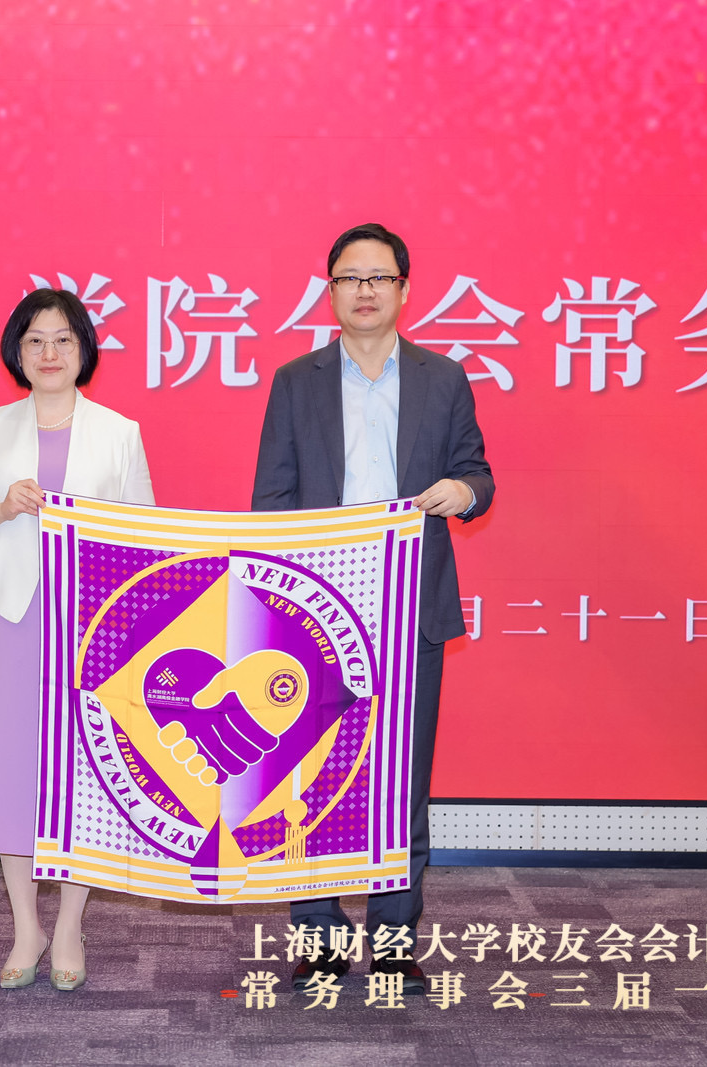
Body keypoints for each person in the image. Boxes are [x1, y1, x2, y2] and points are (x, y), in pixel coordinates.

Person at [251, 223, 494, 994]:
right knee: (311, 780)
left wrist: (460, 492)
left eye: (378, 278)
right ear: (330, 292)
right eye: (349, 278)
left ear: (403, 289)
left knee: (400, 782)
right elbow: (271, 498)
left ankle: (393, 942)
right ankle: (321, 939)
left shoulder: (442, 378)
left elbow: (479, 476)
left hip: (409, 604)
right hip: (317, 611)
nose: (364, 290)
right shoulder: (297, 380)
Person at [0, 289, 154, 991]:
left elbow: (148, 538)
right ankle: (25, 926)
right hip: (12, 616)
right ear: (17, 352)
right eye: (35, 341)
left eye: (63, 339)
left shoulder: (119, 432)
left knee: (82, 774)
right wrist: (1, 508)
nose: (50, 353)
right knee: (15, 771)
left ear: (84, 349)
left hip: (91, 627)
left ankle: (69, 927)